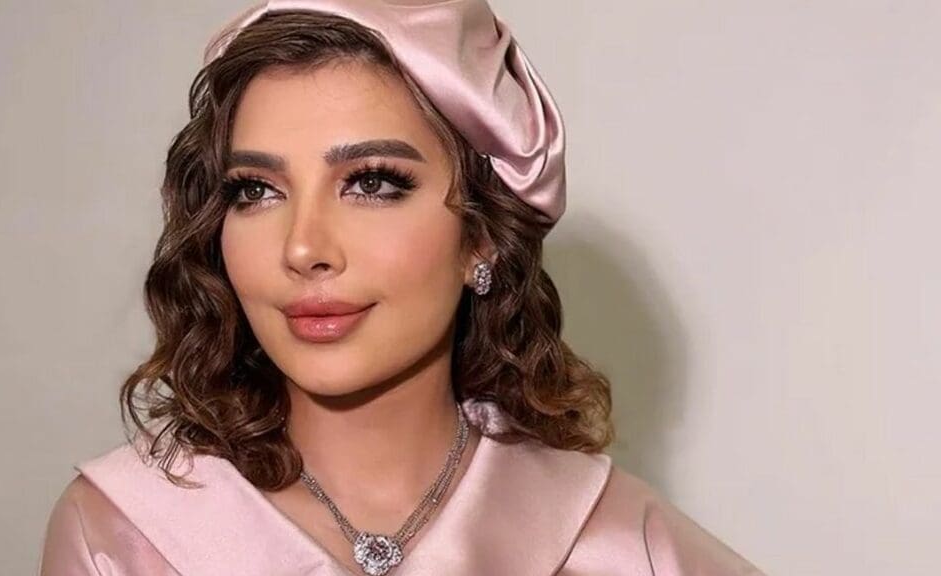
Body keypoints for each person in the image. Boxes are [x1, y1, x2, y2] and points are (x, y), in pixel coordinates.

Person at [39, 1, 765, 574]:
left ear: (482, 236)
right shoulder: (124, 536)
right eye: (255, 190)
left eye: (373, 183)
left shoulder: (614, 542)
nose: (303, 248)